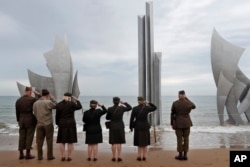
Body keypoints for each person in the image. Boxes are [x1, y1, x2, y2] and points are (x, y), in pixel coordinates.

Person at [55, 92, 82, 161]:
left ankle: (62, 156)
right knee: (70, 141)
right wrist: (76, 100)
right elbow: (79, 106)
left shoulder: (59, 105)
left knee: (62, 141)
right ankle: (69, 156)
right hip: (71, 124)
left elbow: (57, 116)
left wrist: (57, 123)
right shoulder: (72, 104)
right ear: (70, 97)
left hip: (62, 124)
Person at [15, 86, 40, 160]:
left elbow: (17, 112)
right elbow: (40, 100)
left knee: (21, 137)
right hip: (29, 119)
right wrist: (37, 94)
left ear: (24, 91)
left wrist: (19, 120)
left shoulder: (18, 100)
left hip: (21, 119)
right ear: (30, 92)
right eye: (31, 92)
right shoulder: (32, 99)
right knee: (29, 136)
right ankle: (28, 154)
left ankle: (21, 154)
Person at [170, 90, 196, 160]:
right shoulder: (188, 103)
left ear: (179, 95)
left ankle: (180, 154)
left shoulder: (175, 103)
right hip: (187, 122)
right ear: (184, 95)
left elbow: (172, 113)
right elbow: (194, 106)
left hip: (178, 123)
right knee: (186, 138)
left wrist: (172, 123)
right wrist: (187, 99)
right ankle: (185, 155)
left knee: (179, 139)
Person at [129, 96, 157, 161]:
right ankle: (144, 156)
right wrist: (149, 103)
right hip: (145, 126)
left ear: (138, 101)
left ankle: (139, 156)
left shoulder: (135, 108)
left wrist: (131, 127)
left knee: (139, 142)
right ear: (143, 101)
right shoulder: (146, 108)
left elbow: (132, 119)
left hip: (138, 126)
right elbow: (155, 107)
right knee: (145, 142)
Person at [33, 89, 57, 160]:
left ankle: (39, 156)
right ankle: (49, 156)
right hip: (48, 123)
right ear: (48, 94)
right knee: (49, 140)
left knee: (39, 141)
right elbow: (56, 105)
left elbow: (34, 113)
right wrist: (53, 98)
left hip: (39, 123)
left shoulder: (35, 103)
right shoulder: (48, 102)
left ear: (42, 94)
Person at [106, 97, 132, 162]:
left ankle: (114, 157)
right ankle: (119, 156)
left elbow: (107, 118)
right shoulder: (122, 108)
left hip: (112, 126)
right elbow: (130, 108)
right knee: (119, 142)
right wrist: (124, 103)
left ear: (113, 101)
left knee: (113, 142)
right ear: (119, 101)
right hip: (120, 126)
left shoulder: (110, 109)